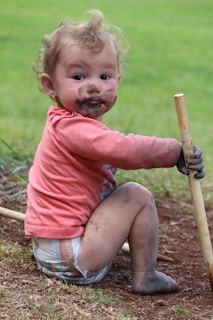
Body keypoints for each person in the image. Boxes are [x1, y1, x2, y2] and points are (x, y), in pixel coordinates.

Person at [25, 9, 205, 295]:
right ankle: (145, 275)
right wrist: (174, 152)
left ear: (118, 80)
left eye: (105, 75)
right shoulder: (74, 130)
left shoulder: (66, 124)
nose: (95, 85)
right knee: (136, 195)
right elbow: (124, 149)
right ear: (51, 85)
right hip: (70, 258)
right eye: (79, 76)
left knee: (117, 197)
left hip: (57, 249)